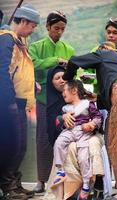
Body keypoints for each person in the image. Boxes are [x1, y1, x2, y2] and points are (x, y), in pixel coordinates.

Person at [63, 41, 117, 200]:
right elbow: (108, 98)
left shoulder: (104, 53)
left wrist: (68, 79)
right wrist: (95, 98)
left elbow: (74, 60)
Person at [29, 10, 74, 193]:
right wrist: (55, 60)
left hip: (64, 99)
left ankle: (64, 180)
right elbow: (32, 63)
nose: (59, 32)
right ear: (47, 27)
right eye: (56, 28)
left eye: (63, 29)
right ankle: (41, 180)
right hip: (43, 99)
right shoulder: (36, 46)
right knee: (43, 139)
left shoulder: (69, 49)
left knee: (64, 138)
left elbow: (72, 73)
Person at [0, 4, 40, 200]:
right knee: (12, 146)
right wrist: (9, 104)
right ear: (23, 21)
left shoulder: (18, 42)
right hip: (10, 102)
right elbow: (2, 73)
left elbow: (18, 71)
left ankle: (15, 183)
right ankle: (8, 187)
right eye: (32, 26)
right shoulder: (6, 39)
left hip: (22, 100)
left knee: (21, 146)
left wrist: (34, 84)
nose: (32, 30)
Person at [51, 80, 103, 200]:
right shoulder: (65, 108)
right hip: (70, 132)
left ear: (74, 90)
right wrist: (63, 119)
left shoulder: (87, 104)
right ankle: (60, 170)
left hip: (83, 132)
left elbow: (98, 117)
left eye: (64, 90)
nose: (62, 93)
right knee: (58, 143)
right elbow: (57, 123)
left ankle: (86, 184)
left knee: (83, 155)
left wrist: (92, 124)